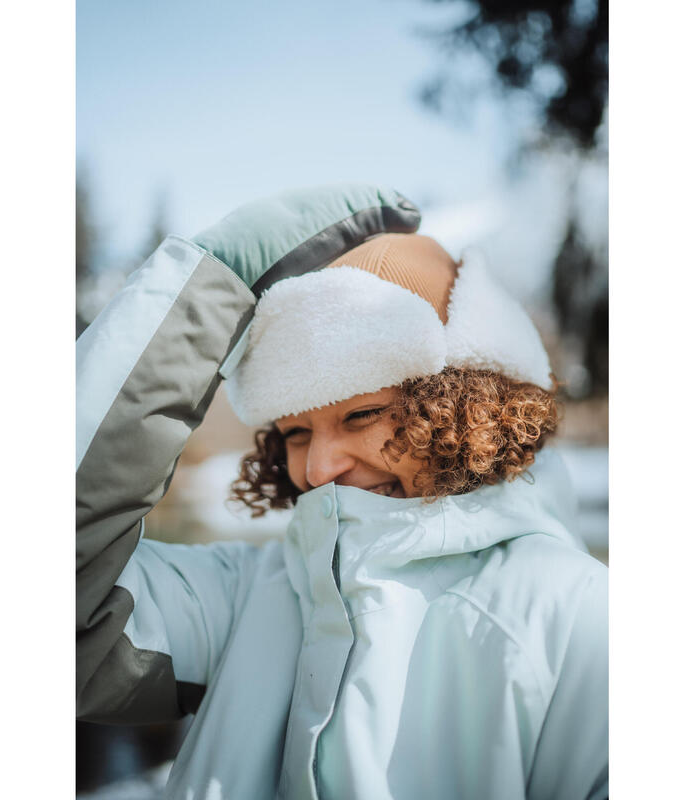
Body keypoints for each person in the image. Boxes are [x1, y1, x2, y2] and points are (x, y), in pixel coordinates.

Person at [76, 183, 608, 800]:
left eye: (363, 416)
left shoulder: (579, 616)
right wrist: (205, 290)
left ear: (471, 409)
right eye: (295, 431)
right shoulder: (238, 597)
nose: (320, 466)